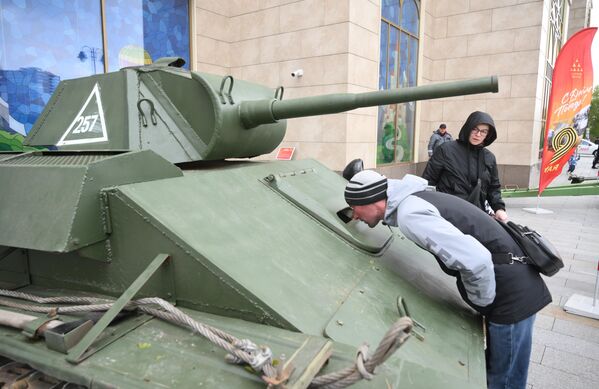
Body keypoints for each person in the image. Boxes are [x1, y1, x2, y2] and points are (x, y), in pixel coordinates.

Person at [343, 170, 551, 389]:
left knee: (503, 381)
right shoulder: (416, 199)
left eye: (354, 206)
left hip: (509, 295)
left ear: (371, 200)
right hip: (515, 282)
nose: (354, 216)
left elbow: (477, 261)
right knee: (507, 374)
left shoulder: (409, 214)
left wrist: (482, 302)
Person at [422, 111, 508, 222]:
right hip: (447, 216)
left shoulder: (489, 158)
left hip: (476, 217)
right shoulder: (446, 150)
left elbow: (493, 187)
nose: (478, 134)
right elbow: (427, 181)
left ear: (488, 135)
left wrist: (499, 208)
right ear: (468, 128)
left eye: (483, 131)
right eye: (475, 129)